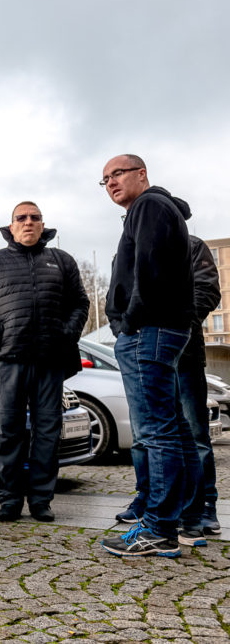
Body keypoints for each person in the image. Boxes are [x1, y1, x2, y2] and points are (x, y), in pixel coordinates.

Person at [0, 201, 89, 523]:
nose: (28, 222)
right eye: (22, 218)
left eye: (35, 217)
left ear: (43, 224)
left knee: (48, 433)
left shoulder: (61, 260)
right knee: (8, 432)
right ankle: (8, 501)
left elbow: (80, 302)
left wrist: (67, 333)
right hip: (9, 361)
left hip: (50, 360)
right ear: (11, 226)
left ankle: (41, 501)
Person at [98, 154, 196, 558]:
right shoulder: (157, 208)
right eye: (104, 179)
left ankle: (159, 528)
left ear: (141, 174)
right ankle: (185, 518)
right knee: (173, 428)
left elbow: (149, 270)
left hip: (148, 330)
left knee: (156, 432)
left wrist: (129, 322)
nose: (110, 182)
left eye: (117, 173)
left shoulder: (149, 205)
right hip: (162, 329)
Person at [116, 235, 222, 539]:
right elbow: (119, 295)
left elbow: (206, 291)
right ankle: (149, 499)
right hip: (141, 355)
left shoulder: (191, 245)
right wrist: (122, 327)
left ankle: (203, 506)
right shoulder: (129, 247)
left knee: (194, 434)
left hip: (181, 355)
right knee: (142, 436)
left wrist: (169, 325)